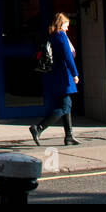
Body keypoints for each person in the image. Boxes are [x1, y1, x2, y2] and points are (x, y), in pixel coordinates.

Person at [30, 12, 80, 146]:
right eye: (66, 25)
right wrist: (75, 73)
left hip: (57, 75)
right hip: (64, 76)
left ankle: (69, 136)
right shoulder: (61, 36)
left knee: (66, 106)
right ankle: (38, 128)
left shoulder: (53, 36)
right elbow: (68, 57)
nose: (67, 28)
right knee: (65, 107)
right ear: (61, 23)